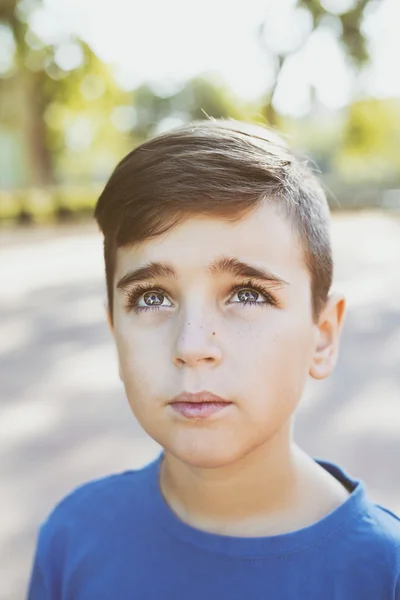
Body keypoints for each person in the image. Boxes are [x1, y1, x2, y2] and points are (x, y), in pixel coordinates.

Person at [27, 119, 400, 599]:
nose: (191, 345)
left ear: (322, 336)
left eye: (246, 294)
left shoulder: (381, 573)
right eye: (152, 298)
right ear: (115, 333)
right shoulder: (72, 539)